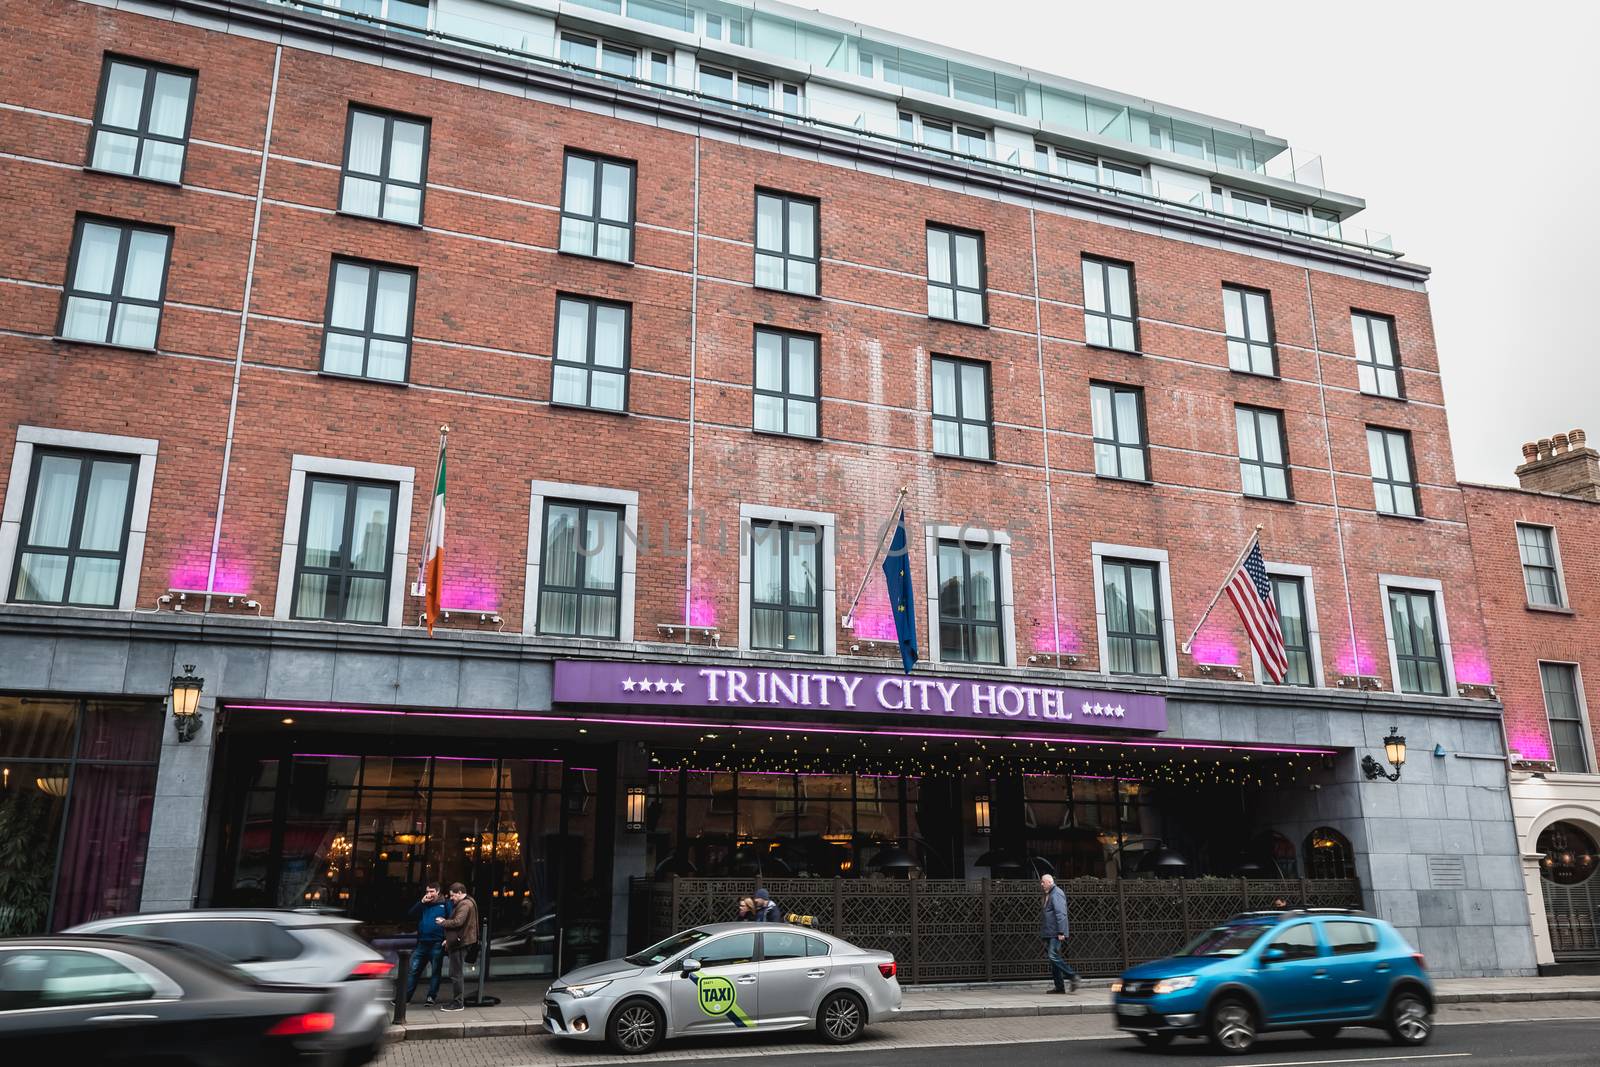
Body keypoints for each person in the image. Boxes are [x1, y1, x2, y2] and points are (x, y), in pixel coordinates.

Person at [405, 882, 453, 1005]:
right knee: (413, 970)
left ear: (437, 892)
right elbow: (410, 914)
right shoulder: (424, 904)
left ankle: (431, 997)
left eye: (432, 891)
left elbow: (452, 922)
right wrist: (421, 902)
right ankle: (405, 998)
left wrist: (447, 938)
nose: (429, 894)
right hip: (422, 943)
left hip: (437, 943)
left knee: (435, 971)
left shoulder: (446, 904)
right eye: (427, 891)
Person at [435, 882, 479, 1012]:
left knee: (456, 974)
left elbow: (458, 922)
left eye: (453, 895)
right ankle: (458, 1001)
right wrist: (448, 941)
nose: (451, 898)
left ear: (460, 893)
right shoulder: (468, 901)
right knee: (456, 973)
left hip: (461, 944)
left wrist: (443, 922)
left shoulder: (465, 904)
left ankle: (458, 1003)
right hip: (460, 942)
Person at [1040, 874, 1080, 994]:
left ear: (1049, 882)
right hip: (1050, 932)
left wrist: (1061, 931)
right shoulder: (1049, 894)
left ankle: (1073, 976)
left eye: (1043, 882)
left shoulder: (1056, 893)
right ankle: (1059, 987)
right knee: (1053, 960)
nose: (1041, 884)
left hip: (1056, 932)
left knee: (1052, 956)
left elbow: (1061, 914)